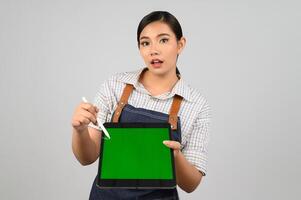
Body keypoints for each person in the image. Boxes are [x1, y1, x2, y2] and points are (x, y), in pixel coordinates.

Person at [71, 11, 211, 200]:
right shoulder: (115, 86)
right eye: (145, 43)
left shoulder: (196, 105)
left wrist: (175, 156)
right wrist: (80, 131)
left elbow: (191, 184)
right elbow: (86, 158)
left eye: (163, 40)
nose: (154, 50)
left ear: (180, 44)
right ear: (139, 48)